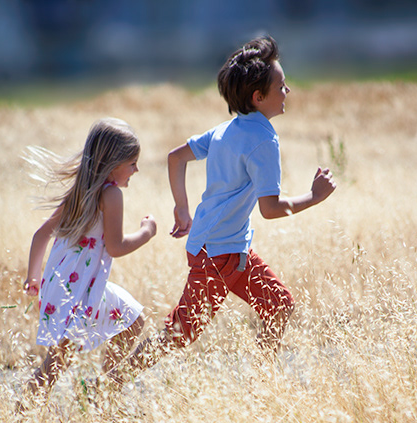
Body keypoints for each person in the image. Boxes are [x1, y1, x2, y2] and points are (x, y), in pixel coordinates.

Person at [123, 35, 336, 379]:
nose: (288, 91)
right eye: (281, 85)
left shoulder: (226, 130)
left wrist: (182, 208)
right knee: (178, 336)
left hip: (231, 249)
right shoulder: (264, 140)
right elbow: (270, 208)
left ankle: (262, 386)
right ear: (259, 97)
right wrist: (315, 196)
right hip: (218, 256)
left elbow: (175, 158)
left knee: (279, 305)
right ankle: (113, 384)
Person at [19, 117, 156, 408]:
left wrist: (34, 277)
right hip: (79, 291)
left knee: (131, 320)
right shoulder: (111, 194)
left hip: (65, 286)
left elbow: (41, 234)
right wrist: (147, 232)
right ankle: (23, 413)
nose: (136, 170)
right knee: (56, 363)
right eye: (132, 163)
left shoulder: (81, 191)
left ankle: (102, 392)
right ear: (113, 162)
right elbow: (116, 247)